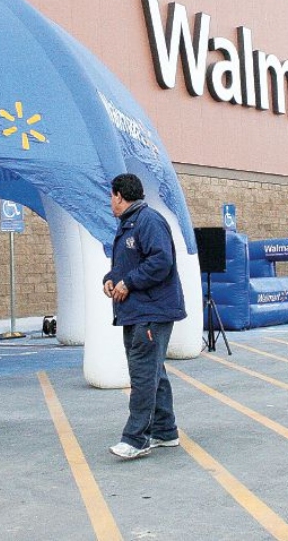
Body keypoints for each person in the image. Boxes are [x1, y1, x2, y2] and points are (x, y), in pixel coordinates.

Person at [103, 173, 186, 459]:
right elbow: (129, 263)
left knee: (142, 375)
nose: (110, 202)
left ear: (119, 196)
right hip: (138, 311)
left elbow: (161, 261)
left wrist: (130, 282)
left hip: (151, 312)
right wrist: (111, 278)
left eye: (111, 196)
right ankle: (165, 431)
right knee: (154, 372)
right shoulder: (129, 225)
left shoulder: (148, 221)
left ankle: (136, 439)